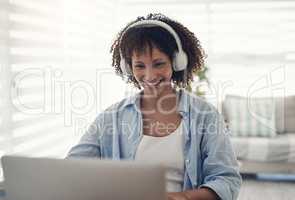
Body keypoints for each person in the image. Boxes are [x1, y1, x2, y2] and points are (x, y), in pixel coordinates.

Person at [67, 13, 242, 200]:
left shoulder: (205, 115)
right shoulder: (112, 117)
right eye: (139, 66)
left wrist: (182, 197)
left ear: (177, 62)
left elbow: (226, 180)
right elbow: (71, 168)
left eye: (158, 64)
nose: (149, 76)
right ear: (128, 67)